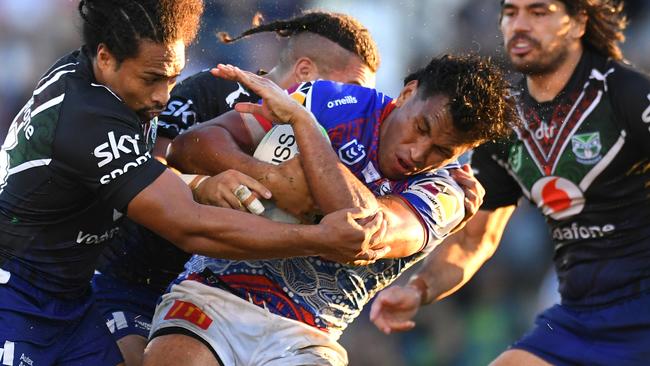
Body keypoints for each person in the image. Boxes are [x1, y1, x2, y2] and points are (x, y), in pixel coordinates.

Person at [0, 1, 388, 364]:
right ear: (106, 56)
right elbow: (188, 224)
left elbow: (143, 171)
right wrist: (321, 239)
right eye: (153, 79)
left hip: (70, 298)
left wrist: (199, 183)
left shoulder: (112, 83)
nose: (164, 96)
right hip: (18, 294)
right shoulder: (90, 119)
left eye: (172, 77)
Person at [142, 54, 517, 365]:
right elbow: (187, 147)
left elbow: (363, 231)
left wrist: (306, 128)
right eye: (420, 127)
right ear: (407, 94)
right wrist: (270, 180)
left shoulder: (450, 192)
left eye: (442, 151)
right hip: (213, 292)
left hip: (306, 336)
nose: (418, 153)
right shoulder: (330, 101)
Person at [370, 1, 650, 365]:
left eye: (538, 12)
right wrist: (419, 289)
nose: (520, 25)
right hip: (581, 318)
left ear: (579, 22)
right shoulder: (507, 124)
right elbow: (474, 240)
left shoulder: (626, 94)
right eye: (511, 12)